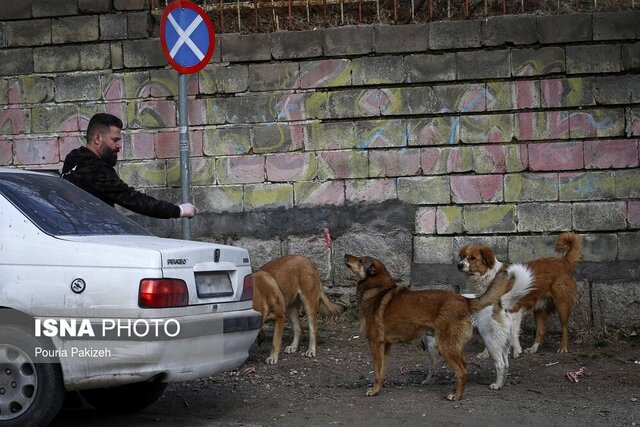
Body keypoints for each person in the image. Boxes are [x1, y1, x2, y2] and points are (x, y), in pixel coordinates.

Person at [61, 113, 196, 219]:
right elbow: (133, 199)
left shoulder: (74, 158)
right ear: (97, 139)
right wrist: (179, 210)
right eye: (114, 140)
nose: (119, 146)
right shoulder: (95, 170)